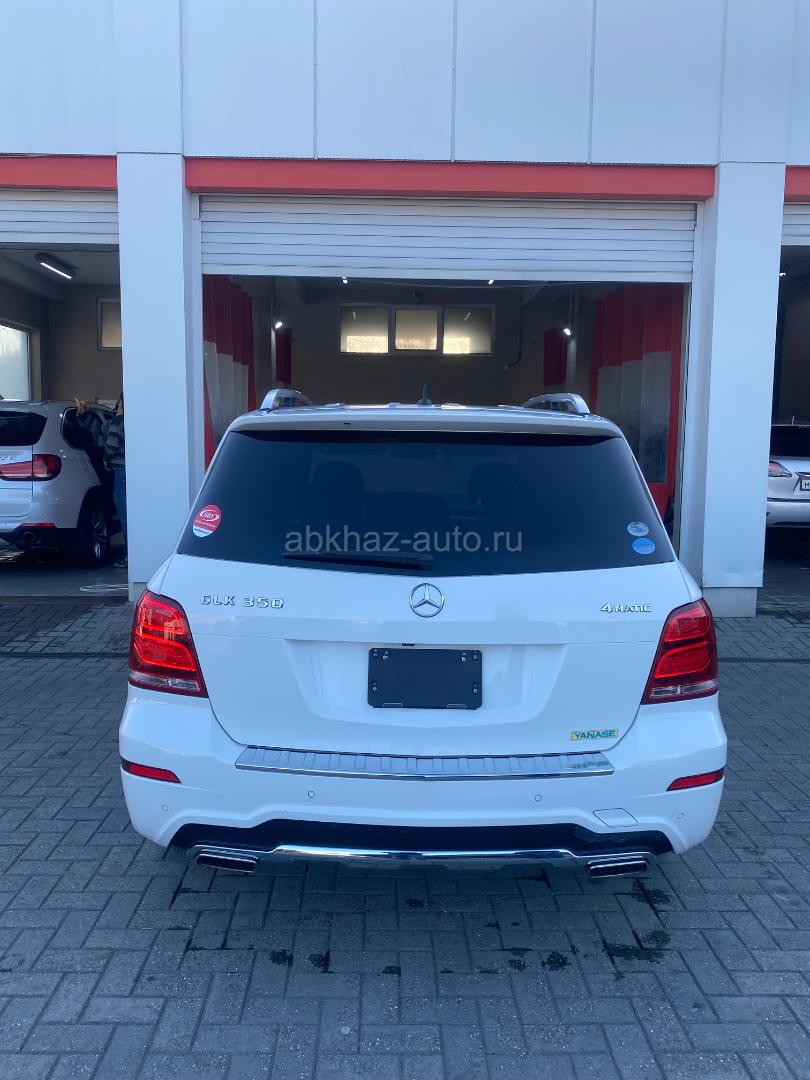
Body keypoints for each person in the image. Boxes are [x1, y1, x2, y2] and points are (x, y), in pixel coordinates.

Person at [104, 392, 127, 570]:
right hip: (133, 472)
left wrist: (105, 458)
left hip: (121, 472)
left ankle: (129, 556)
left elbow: (111, 445)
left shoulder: (118, 422)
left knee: (125, 516)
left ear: (120, 402)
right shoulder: (135, 420)